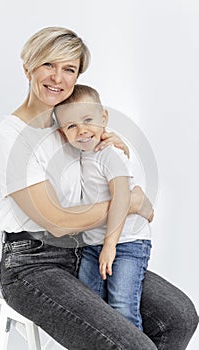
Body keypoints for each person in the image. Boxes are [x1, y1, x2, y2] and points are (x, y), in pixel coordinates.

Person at [0, 26, 198, 349]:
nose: (57, 78)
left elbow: (105, 176)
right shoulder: (10, 138)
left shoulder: (73, 130)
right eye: (48, 65)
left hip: (85, 252)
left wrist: (108, 144)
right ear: (27, 67)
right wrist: (129, 203)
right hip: (32, 266)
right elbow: (57, 221)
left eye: (68, 69)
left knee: (178, 316)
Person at [54, 84, 152, 331]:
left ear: (104, 118)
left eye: (88, 120)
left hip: (127, 243)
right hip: (92, 243)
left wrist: (109, 246)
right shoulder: (82, 154)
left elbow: (122, 198)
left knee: (122, 307)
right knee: (91, 306)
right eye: (71, 126)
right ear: (63, 133)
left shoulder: (109, 153)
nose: (82, 130)